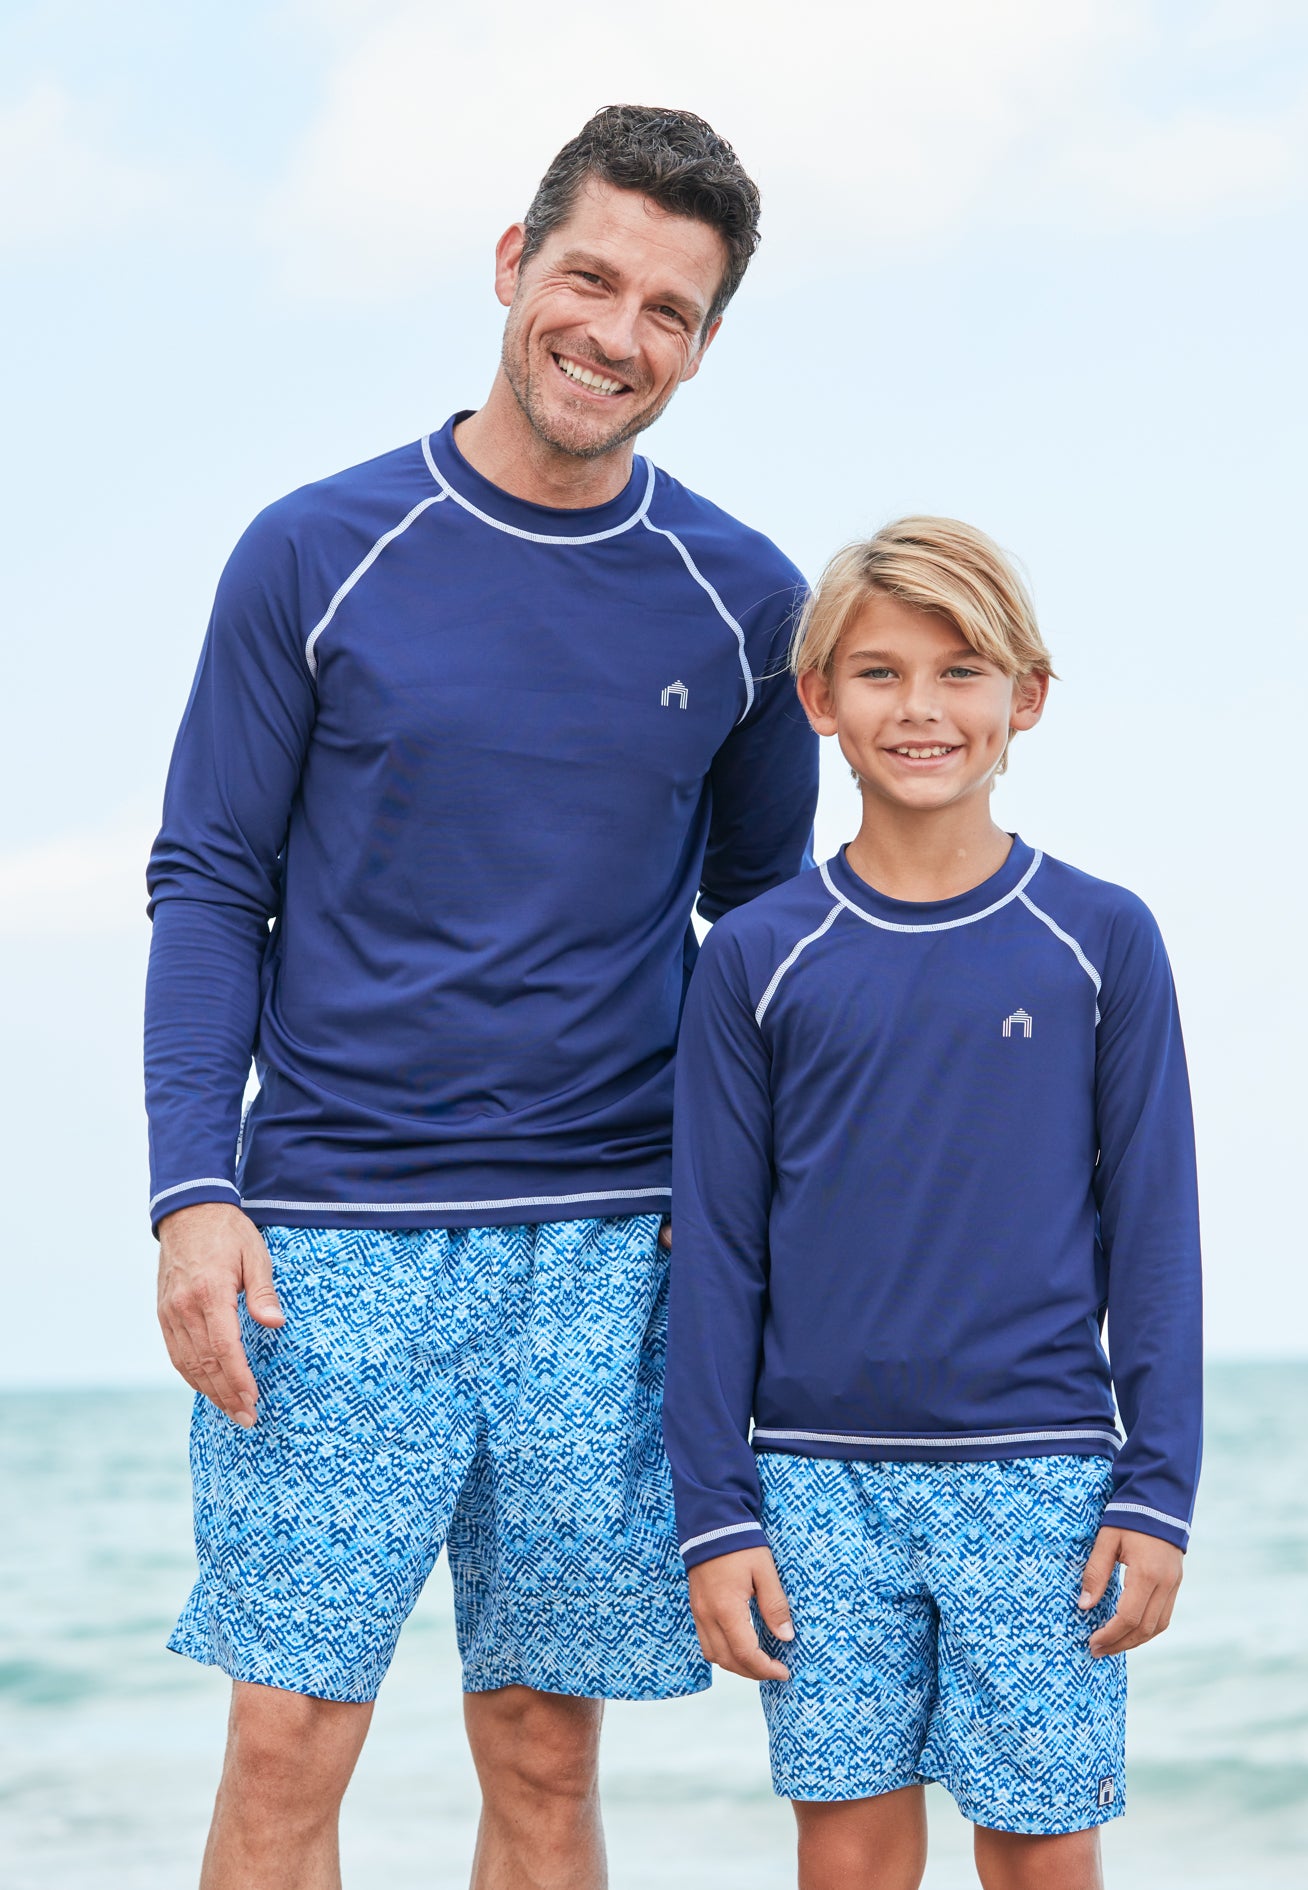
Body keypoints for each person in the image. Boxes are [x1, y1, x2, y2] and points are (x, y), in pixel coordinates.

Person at [145, 105, 818, 1890]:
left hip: (606, 1249)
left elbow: (760, 937)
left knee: (540, 1743)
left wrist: (741, 1210)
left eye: (669, 309)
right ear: (514, 264)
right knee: (288, 1732)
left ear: (703, 344)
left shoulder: (743, 602)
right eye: (590, 277)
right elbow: (210, 877)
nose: (617, 333)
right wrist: (192, 1188)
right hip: (330, 1236)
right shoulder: (314, 552)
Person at [663, 517, 1202, 1889]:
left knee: (1040, 1851)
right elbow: (716, 1251)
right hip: (813, 1481)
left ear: (1026, 698)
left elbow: (1153, 1234)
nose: (921, 708)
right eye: (880, 672)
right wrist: (716, 1511)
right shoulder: (758, 957)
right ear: (819, 700)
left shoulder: (1100, 938)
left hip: (1041, 1475)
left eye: (961, 671)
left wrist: (1156, 1491)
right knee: (846, 1856)